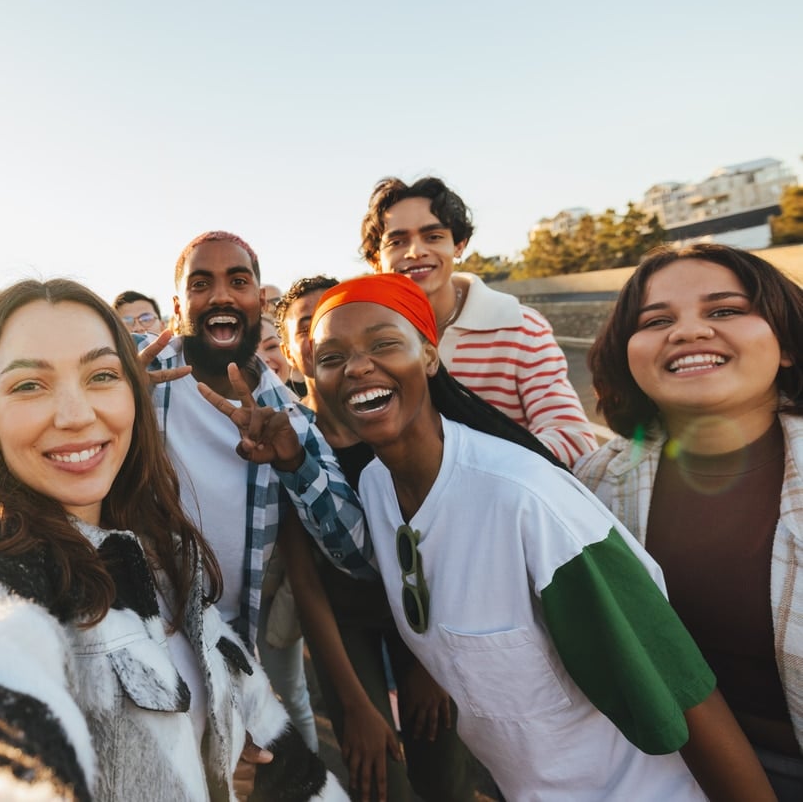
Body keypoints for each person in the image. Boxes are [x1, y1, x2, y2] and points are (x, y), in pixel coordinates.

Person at [222, 271, 770, 800]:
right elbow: (361, 559)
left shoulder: (527, 502)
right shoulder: (377, 486)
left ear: (430, 355)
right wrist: (294, 463)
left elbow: (687, 698)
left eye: (383, 344)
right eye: (332, 358)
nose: (358, 367)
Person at [0, 279, 348, 801]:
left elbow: (277, 746)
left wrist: (216, 757)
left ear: (135, 395)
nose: (75, 415)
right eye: (28, 385)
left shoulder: (164, 547)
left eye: (101, 376)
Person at [575, 243, 803, 797]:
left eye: (724, 310)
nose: (689, 331)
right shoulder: (591, 487)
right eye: (657, 320)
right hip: (662, 771)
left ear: (787, 343)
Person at [144, 231, 371, 751]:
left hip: (228, 653)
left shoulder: (287, 415)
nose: (221, 295)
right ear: (180, 307)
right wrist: (110, 393)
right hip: (140, 643)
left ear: (259, 301)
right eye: (201, 284)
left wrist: (292, 461)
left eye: (238, 281)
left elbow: (355, 553)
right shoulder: (137, 378)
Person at [273, 275, 485, 802]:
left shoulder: (397, 420)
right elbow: (308, 585)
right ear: (289, 350)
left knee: (445, 773)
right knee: (379, 778)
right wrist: (355, 707)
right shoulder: (283, 436)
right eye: (310, 328)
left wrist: (430, 665)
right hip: (345, 624)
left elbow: (440, 550)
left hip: (424, 623)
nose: (331, 338)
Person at [359, 176, 596, 465]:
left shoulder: (520, 327)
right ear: (375, 260)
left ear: (459, 245)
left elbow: (573, 438)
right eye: (397, 241)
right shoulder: (364, 344)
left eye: (433, 237)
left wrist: (475, 471)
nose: (416, 251)